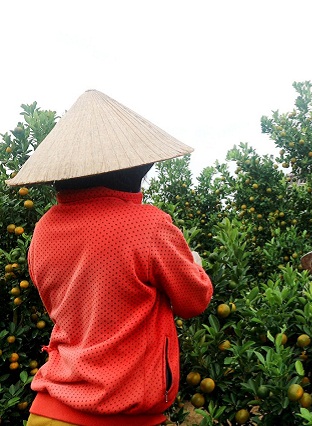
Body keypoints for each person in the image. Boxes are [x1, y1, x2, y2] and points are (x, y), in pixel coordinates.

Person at [6, 89, 213, 426]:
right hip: (118, 414)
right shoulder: (147, 225)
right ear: (135, 169)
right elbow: (194, 300)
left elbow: (71, 305)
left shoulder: (43, 229)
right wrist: (195, 265)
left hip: (47, 410)